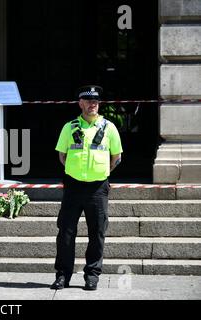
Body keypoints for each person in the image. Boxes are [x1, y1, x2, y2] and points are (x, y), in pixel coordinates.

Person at [51, 85, 123, 291]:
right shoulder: (69, 127)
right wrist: (76, 171)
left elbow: (116, 156)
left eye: (96, 101)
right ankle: (62, 276)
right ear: (80, 103)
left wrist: (102, 172)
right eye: (88, 100)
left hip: (98, 188)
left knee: (97, 232)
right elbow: (62, 155)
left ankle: (92, 275)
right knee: (65, 232)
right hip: (73, 186)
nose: (93, 104)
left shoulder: (109, 128)